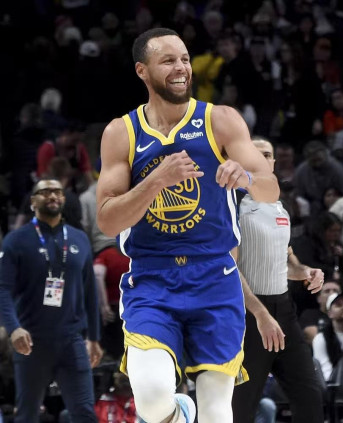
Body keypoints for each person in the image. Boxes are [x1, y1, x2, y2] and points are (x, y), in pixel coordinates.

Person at [95, 28, 279, 423]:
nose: (181, 68)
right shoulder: (121, 132)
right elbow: (108, 220)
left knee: (217, 412)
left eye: (184, 59)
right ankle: (179, 412)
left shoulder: (220, 120)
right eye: (168, 61)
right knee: (151, 399)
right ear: (142, 71)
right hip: (152, 278)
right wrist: (156, 181)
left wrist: (246, 177)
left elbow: (270, 188)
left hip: (214, 275)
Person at [231, 138, 325, 423]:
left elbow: (286, 260)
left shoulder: (280, 206)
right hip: (248, 316)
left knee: (310, 396)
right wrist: (260, 313)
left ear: (273, 163)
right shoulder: (232, 203)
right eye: (256, 154)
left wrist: (305, 272)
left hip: (284, 311)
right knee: (241, 407)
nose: (263, 158)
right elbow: (228, 268)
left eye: (268, 155)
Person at [0, 178, 102, 423]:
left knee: (85, 414)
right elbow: (2, 289)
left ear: (64, 199)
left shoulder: (79, 239)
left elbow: (90, 292)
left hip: (71, 340)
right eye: (45, 192)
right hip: (31, 341)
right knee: (27, 415)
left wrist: (94, 337)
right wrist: (13, 328)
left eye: (57, 191)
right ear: (33, 201)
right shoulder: (16, 240)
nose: (53, 196)